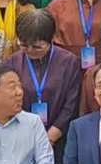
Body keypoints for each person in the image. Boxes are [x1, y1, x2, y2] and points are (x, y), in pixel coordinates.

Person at [5, 10, 81, 146]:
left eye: (37, 47)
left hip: (60, 137)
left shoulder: (69, 62)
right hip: (21, 137)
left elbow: (72, 103)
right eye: (23, 45)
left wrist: (53, 134)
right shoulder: (12, 63)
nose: (30, 50)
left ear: (51, 39)